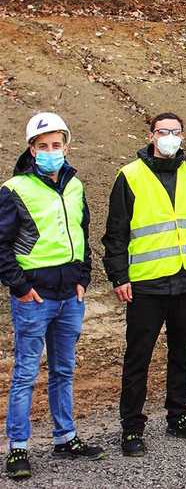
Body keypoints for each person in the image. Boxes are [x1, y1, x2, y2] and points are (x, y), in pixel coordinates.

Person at [102, 112, 186, 456]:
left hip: (183, 280)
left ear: (183, 137)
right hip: (146, 285)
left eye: (176, 132)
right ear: (152, 136)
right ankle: (132, 428)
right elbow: (115, 234)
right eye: (164, 131)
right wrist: (119, 276)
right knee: (138, 358)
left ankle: (178, 415)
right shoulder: (130, 176)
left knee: (181, 354)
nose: (170, 137)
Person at [0, 113, 102, 480]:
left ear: (66, 146)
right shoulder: (15, 189)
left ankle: (66, 436)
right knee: (26, 372)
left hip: (69, 295)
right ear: (31, 149)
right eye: (42, 146)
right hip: (35, 298)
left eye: (56, 145)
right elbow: (2, 245)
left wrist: (83, 277)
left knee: (64, 369)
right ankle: (18, 448)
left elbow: (82, 233)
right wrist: (21, 287)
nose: (50, 152)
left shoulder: (75, 186)